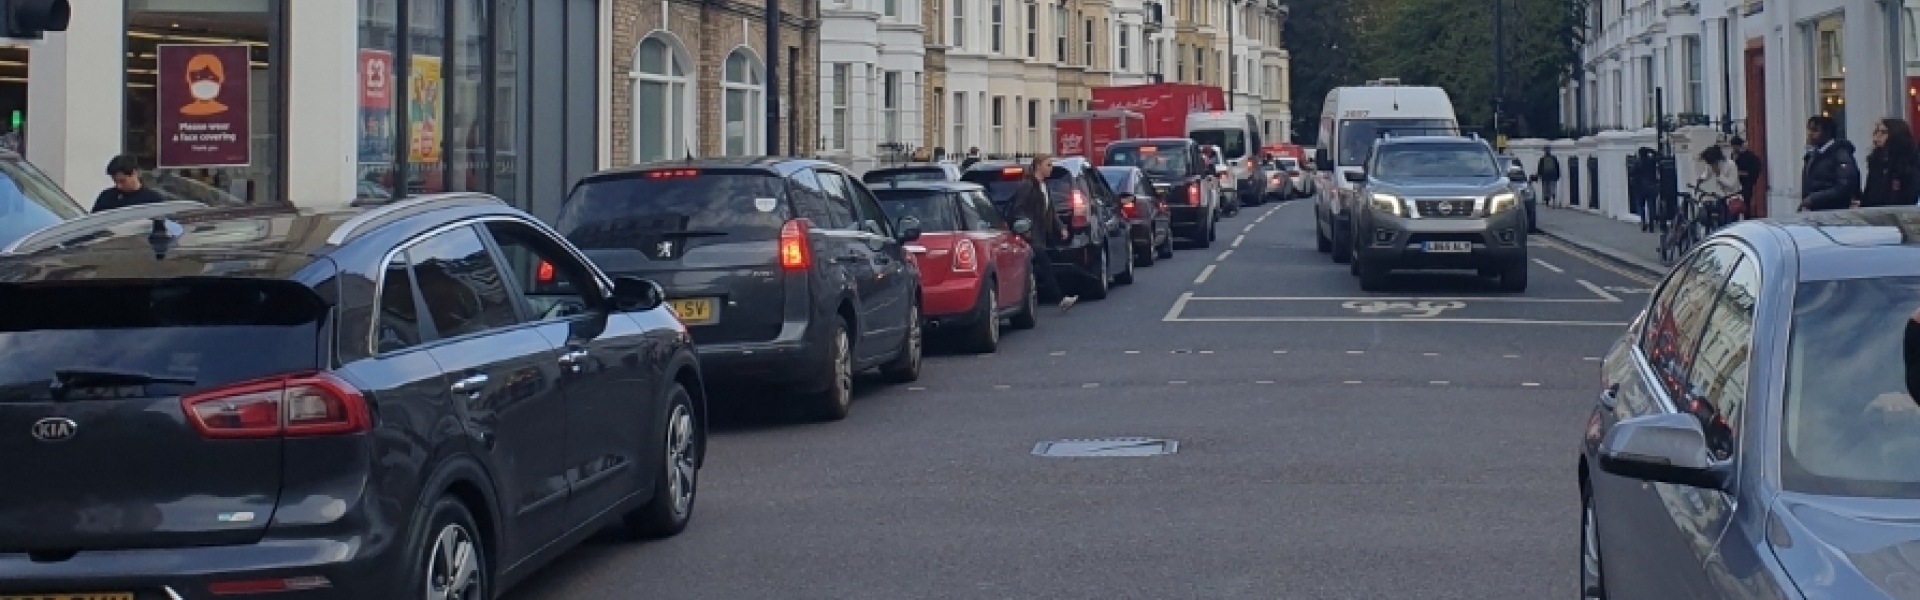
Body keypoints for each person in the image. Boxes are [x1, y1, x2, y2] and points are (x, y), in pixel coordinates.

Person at [1009, 154, 1076, 310]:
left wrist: (1061, 228)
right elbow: (1018, 210)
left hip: (1042, 234)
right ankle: (1060, 299)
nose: (1051, 168)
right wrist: (1027, 230)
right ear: (1038, 166)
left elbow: (1050, 211)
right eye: (1048, 165)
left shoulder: (1043, 186)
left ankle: (1051, 297)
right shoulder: (1027, 185)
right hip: (1030, 236)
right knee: (1045, 266)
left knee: (1045, 266)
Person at [1799, 115, 1860, 212]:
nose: (1810, 134)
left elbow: (1845, 185)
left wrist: (1814, 199)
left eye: (1815, 130)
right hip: (1816, 210)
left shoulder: (1840, 154)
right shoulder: (1813, 155)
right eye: (1809, 130)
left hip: (1834, 211)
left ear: (1827, 133)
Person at [1861, 118, 1920, 207]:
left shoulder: (1909, 162)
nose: (1878, 136)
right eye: (1876, 132)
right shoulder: (1876, 161)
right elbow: (1870, 192)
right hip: (1875, 214)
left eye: (1883, 132)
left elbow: (1910, 195)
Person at [93, 155, 165, 212]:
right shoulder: (106, 198)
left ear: (134, 173)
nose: (119, 186)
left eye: (122, 181)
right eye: (115, 181)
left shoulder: (153, 200)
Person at [1694, 145, 1741, 223]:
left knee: (1730, 223)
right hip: (1720, 198)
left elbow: (1731, 185)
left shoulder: (1731, 165)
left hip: (1732, 199)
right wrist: (1701, 179)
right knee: (1720, 222)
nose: (1711, 166)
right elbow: (1707, 173)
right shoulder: (1712, 165)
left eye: (1712, 163)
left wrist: (1719, 175)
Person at [1729, 136, 1763, 210]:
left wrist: (1741, 173)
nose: (1734, 149)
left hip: (1745, 184)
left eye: (1735, 146)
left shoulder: (1749, 157)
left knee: (1745, 205)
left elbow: (1752, 171)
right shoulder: (1733, 156)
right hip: (1735, 185)